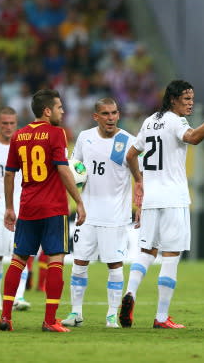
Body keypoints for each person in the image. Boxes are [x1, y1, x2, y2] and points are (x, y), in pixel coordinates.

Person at [121, 80, 204, 329]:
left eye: (192, 98)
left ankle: (130, 293)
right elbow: (193, 138)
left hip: (150, 198)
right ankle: (161, 317)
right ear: (173, 100)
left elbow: (130, 155)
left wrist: (139, 180)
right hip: (173, 198)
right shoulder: (176, 121)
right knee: (171, 256)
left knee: (146, 251)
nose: (191, 103)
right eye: (186, 99)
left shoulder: (149, 121)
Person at [0, 89, 86, 332]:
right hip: (54, 207)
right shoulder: (57, 134)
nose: (63, 111)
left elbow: (9, 174)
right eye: (59, 108)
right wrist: (78, 201)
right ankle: (49, 321)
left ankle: (5, 316)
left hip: (27, 206)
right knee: (56, 259)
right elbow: (63, 170)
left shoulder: (19, 135)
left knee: (18, 260)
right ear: (47, 111)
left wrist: (8, 207)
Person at [61, 98, 135, 329]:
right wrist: (78, 177)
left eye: (114, 113)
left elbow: (140, 176)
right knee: (79, 262)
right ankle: (75, 313)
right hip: (87, 213)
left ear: (118, 114)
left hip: (115, 216)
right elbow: (76, 167)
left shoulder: (129, 141)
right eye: (105, 113)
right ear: (96, 117)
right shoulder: (85, 137)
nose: (110, 117)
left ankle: (112, 314)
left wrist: (139, 205)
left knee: (114, 265)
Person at [0, 106, 31, 311]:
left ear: (16, 123)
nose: (9, 127)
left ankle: (18, 297)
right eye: (5, 123)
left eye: (12, 123)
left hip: (22, 205)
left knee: (22, 252)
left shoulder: (24, 142)